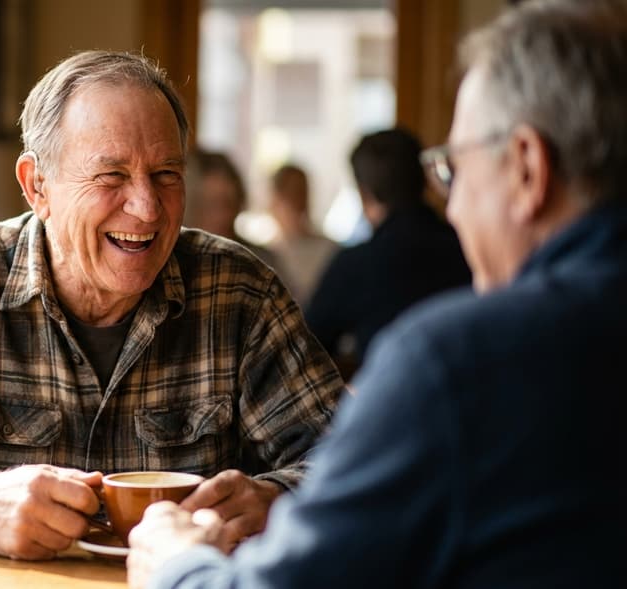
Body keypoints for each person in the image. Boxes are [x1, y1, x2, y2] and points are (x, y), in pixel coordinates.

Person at [127, 0, 627, 587]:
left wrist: (177, 563)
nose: (454, 207)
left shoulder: (455, 365)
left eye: (453, 171)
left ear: (526, 168)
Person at [0, 50, 344, 561]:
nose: (147, 209)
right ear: (37, 186)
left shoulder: (240, 293)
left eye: (166, 175)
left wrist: (275, 499)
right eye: (112, 176)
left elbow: (355, 467)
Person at [304, 128, 471, 379]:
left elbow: (304, 349)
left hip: (387, 405)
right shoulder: (468, 247)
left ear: (364, 194)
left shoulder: (356, 264)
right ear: (425, 180)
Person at [184, 148, 280, 269]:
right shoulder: (174, 262)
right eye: (212, 205)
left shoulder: (260, 261)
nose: (223, 217)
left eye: (229, 204)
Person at [263, 164, 336, 306]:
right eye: (288, 193)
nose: (295, 202)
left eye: (299, 192)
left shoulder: (330, 250)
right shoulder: (268, 256)